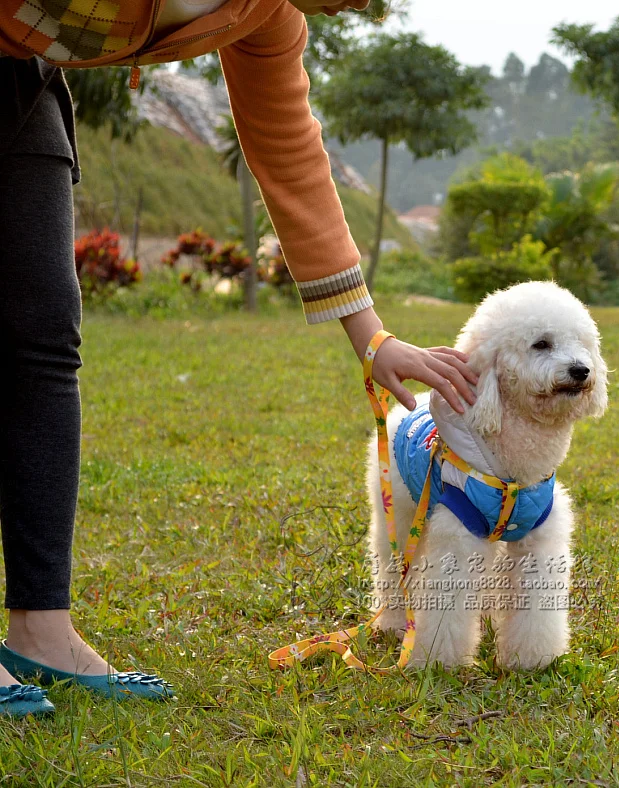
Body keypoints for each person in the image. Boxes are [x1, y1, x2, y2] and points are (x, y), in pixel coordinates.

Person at [0, 0, 478, 717]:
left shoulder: (264, 18)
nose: (365, 8)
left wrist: (373, 336)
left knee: (44, 337)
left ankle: (41, 623)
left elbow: (290, 150)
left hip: (22, 76)